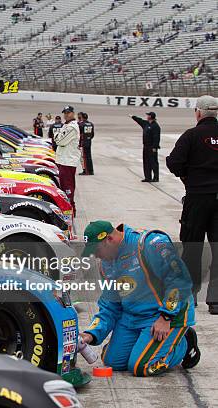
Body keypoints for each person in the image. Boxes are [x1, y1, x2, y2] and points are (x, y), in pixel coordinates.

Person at [79, 221, 200, 376]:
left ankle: (183, 343)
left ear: (109, 239)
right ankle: (147, 344)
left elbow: (179, 279)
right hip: (132, 317)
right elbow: (110, 305)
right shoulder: (105, 265)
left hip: (164, 315)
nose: (95, 256)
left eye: (96, 250)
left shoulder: (150, 244)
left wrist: (166, 316)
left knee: (142, 367)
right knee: (112, 361)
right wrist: (91, 333)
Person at [166, 95, 218, 313]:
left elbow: (173, 161)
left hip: (197, 197)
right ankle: (215, 300)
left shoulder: (192, 135)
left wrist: (187, 176)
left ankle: (190, 296)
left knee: (192, 248)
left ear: (198, 113)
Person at [53, 106, 81, 214]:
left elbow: (60, 141)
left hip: (67, 161)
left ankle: (70, 210)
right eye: (65, 113)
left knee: (68, 188)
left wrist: (56, 136)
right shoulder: (67, 125)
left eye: (68, 113)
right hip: (64, 160)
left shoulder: (72, 127)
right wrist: (58, 137)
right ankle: (67, 209)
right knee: (65, 186)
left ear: (73, 113)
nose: (66, 114)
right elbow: (59, 139)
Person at [131, 112, 161, 182]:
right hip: (146, 146)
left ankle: (156, 178)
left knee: (153, 162)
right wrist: (133, 117)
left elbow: (157, 137)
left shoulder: (156, 126)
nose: (147, 116)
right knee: (146, 162)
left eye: (148, 115)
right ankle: (148, 177)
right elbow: (140, 120)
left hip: (152, 147)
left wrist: (155, 147)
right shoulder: (146, 123)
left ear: (151, 116)